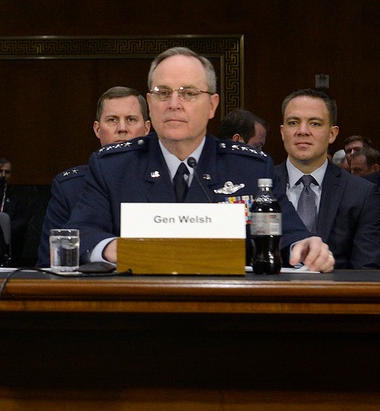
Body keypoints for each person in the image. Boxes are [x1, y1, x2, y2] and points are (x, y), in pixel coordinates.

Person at [66, 47, 334, 272]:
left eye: (188, 93)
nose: (174, 103)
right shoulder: (112, 167)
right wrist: (116, 248)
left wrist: (307, 245)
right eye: (163, 93)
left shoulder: (249, 168)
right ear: (150, 102)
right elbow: (80, 234)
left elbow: (289, 233)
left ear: (212, 105)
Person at [37, 86, 151, 267]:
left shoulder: (165, 179)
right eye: (112, 120)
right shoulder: (68, 188)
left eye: (131, 119)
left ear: (146, 129)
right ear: (97, 129)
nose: (122, 128)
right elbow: (48, 264)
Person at [273, 89, 380, 269]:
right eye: (293, 122)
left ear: (332, 134)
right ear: (283, 132)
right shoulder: (256, 185)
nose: (302, 131)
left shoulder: (362, 194)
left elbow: (366, 272)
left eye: (314, 123)